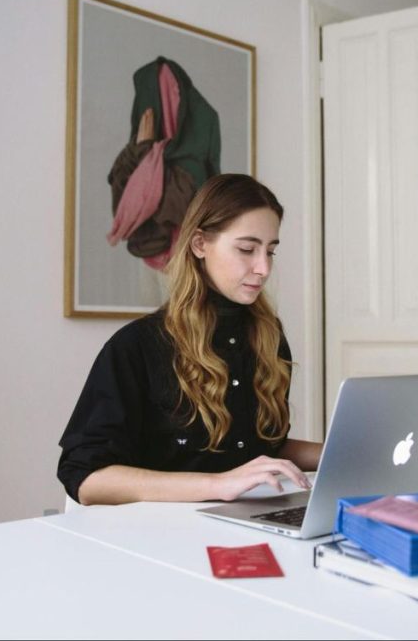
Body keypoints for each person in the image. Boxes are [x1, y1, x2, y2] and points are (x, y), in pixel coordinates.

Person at [58, 174, 323, 505]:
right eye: (247, 249)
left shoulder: (268, 336)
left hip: (249, 519)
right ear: (200, 244)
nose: (263, 268)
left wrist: (338, 454)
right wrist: (218, 485)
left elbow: (261, 447)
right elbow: (84, 477)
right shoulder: (136, 346)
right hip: (161, 534)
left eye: (270, 251)